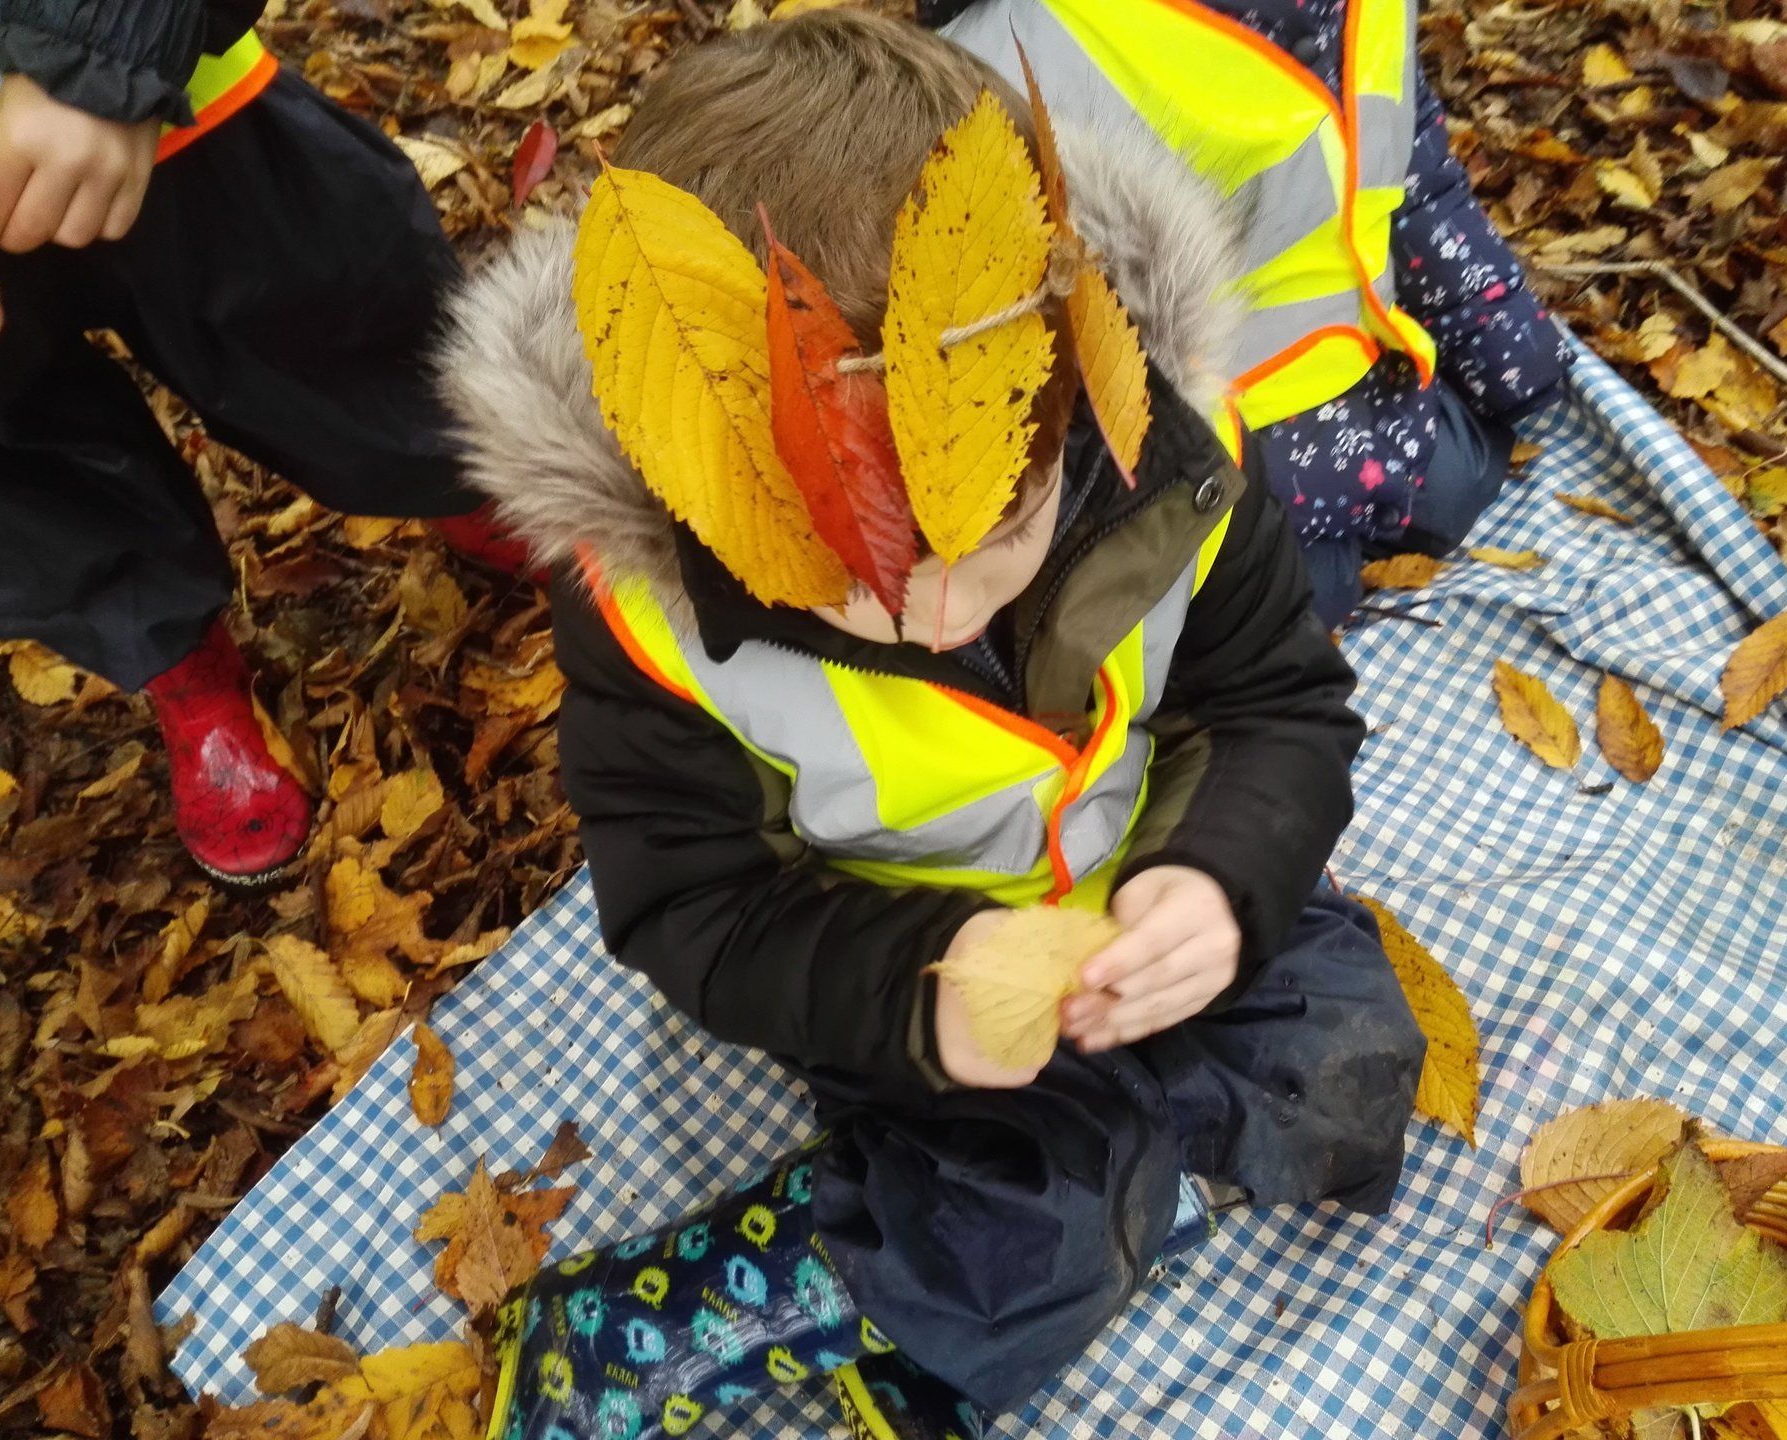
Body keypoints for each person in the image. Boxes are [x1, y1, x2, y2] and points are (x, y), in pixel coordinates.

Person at [444, 14, 1424, 1439]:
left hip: (1137, 880)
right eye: (845, 574)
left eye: (996, 532)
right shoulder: (655, 616)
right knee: (1034, 1216)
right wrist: (924, 993)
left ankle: (1087, 1209)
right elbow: (694, 908)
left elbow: (1278, 703)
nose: (929, 611)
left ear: (1068, 386)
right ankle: (722, 1303)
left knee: (1347, 1057)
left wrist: (1218, 882)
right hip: (906, 963)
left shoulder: (1174, 453)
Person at [0, 0, 528, 886]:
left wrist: (103, 42)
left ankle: (463, 481)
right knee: (2, 479)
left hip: (149, 88)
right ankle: (178, 658)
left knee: (326, 313)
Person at [929, 0, 1575, 631]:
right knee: (1300, 595)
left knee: (1464, 480)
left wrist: (1511, 350)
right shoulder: (1020, 47)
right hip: (1198, 448)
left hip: (1361, 383)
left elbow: (1415, 175)